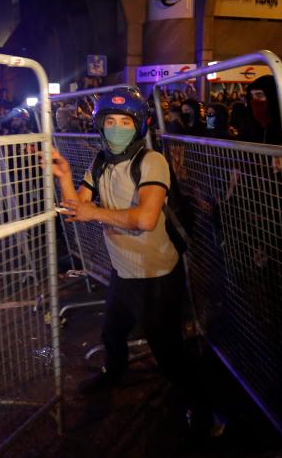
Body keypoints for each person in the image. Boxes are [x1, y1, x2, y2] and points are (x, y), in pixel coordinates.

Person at [50, 88, 203, 413]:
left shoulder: (152, 161)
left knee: (167, 350)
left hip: (155, 274)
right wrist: (64, 176)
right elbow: (79, 206)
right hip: (123, 271)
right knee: (113, 332)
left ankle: (200, 404)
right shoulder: (101, 163)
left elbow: (146, 219)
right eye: (110, 121)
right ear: (100, 125)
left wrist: (94, 213)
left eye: (125, 121)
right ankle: (114, 373)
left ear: (138, 125)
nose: (117, 128)